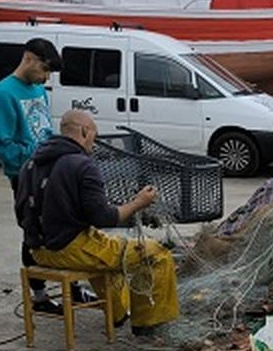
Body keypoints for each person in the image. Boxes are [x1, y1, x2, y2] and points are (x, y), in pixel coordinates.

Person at [15, 109, 180, 335]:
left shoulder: (30, 164)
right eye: (94, 133)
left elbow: (21, 215)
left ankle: (118, 314)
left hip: (38, 252)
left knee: (107, 247)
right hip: (70, 250)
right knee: (155, 253)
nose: (95, 140)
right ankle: (149, 324)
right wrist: (139, 203)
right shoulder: (83, 165)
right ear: (84, 131)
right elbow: (104, 218)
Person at [0, 37, 64, 310]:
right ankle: (39, 296)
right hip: (25, 176)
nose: (45, 77)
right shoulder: (3, 94)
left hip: (50, 170)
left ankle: (72, 286)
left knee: (63, 225)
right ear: (28, 59)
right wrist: (28, 160)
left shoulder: (39, 91)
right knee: (33, 230)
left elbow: (44, 129)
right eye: (44, 70)